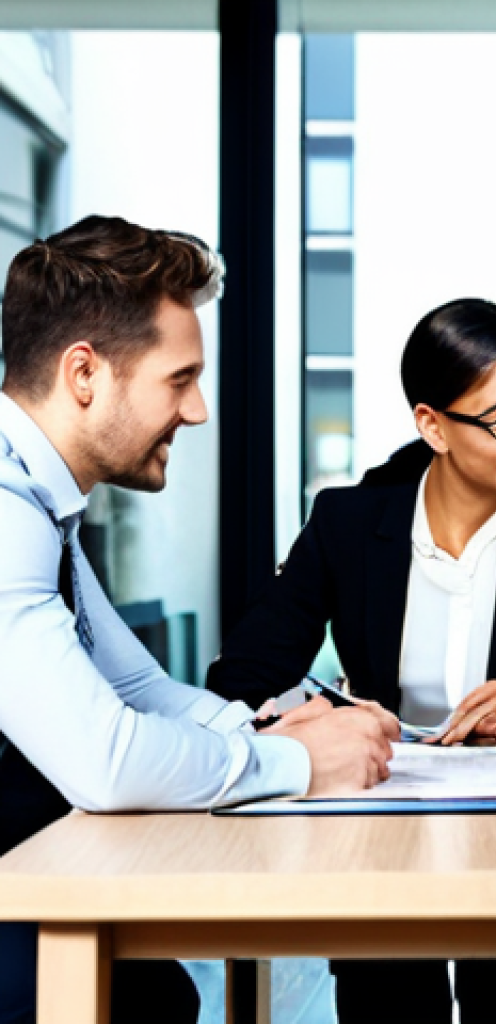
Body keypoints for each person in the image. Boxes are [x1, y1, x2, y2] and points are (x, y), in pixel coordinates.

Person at [0, 215, 396, 1024]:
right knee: (143, 992)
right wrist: (293, 765)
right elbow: (107, 760)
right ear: (85, 373)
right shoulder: (5, 512)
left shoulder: (41, 507)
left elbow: (137, 685)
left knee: (158, 989)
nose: (200, 410)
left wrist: (282, 728)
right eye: (179, 380)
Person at [207, 297, 496, 1024]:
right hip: (380, 816)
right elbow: (242, 676)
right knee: (386, 997)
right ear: (432, 425)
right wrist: (316, 717)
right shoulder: (347, 522)